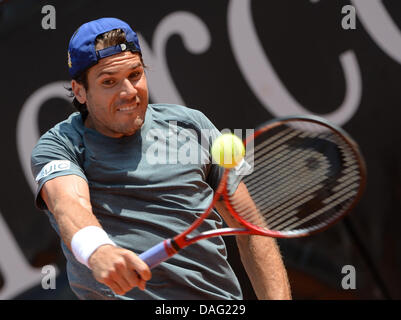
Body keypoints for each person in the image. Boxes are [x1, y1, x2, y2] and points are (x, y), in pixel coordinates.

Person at [31, 17, 291, 300]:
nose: (129, 92)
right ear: (80, 91)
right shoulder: (60, 144)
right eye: (109, 82)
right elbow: (69, 205)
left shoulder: (191, 125)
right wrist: (98, 250)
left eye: (135, 74)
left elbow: (250, 226)